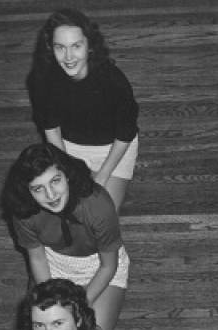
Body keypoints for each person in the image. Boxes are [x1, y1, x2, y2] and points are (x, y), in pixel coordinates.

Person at [3, 143, 130, 330]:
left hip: (98, 266)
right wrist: (53, 304)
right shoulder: (23, 212)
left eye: (55, 180)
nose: (51, 195)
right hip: (53, 262)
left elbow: (108, 266)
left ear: (67, 175)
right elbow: (38, 258)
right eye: (38, 189)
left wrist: (77, 308)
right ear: (27, 191)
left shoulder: (98, 204)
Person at [29, 8, 139, 212]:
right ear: (50, 48)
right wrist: (67, 170)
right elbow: (52, 131)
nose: (69, 57)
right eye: (60, 47)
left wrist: (103, 175)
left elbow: (125, 134)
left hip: (113, 147)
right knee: (69, 213)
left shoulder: (114, 82)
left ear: (89, 46)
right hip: (68, 147)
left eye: (76, 46)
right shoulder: (42, 80)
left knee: (100, 215)